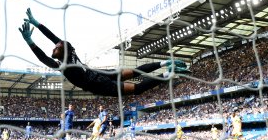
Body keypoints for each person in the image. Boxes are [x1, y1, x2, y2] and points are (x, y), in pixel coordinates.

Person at [18, 8, 190, 97]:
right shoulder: (69, 50)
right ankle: (165, 63)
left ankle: (169, 71)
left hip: (97, 83)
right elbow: (52, 41)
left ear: (60, 50)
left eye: (55, 48)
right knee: (133, 73)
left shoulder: (63, 66)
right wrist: (36, 25)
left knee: (136, 88)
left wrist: (30, 41)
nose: (53, 48)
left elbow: (44, 55)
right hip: (98, 73)